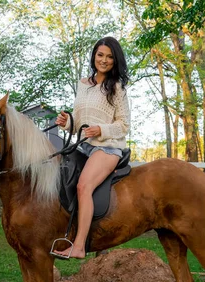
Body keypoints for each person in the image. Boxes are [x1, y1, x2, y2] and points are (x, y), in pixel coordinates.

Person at [52, 36, 130, 259]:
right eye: (100, 55)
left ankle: (78, 247)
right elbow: (79, 122)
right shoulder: (83, 84)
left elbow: (124, 126)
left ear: (115, 61)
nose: (104, 60)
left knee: (83, 186)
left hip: (107, 148)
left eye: (109, 57)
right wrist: (66, 122)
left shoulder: (117, 88)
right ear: (94, 56)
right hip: (83, 147)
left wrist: (101, 130)